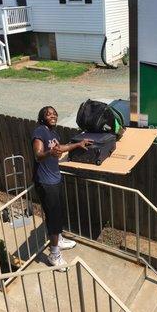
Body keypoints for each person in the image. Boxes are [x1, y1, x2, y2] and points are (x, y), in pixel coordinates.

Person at [32, 106, 92, 268]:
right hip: (45, 182)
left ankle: (59, 239)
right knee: (53, 218)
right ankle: (54, 254)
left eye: (54, 113)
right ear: (42, 117)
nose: (52, 115)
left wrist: (78, 144)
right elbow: (38, 155)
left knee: (57, 214)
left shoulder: (53, 133)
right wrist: (49, 153)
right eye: (48, 114)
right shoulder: (40, 132)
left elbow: (61, 148)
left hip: (55, 179)